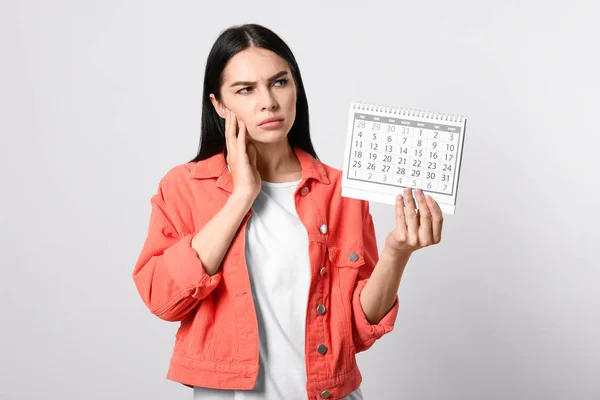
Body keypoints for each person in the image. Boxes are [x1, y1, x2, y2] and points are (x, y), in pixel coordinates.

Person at [132, 23, 444, 400]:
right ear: (219, 104)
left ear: (296, 88)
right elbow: (163, 299)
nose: (268, 101)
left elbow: (360, 330)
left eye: (279, 82)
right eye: (246, 90)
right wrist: (242, 196)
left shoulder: (340, 191)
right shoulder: (184, 187)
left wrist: (397, 252)